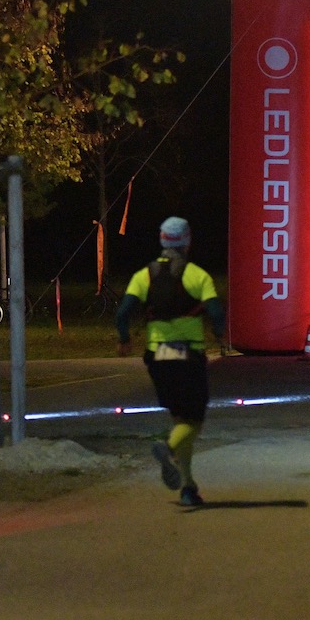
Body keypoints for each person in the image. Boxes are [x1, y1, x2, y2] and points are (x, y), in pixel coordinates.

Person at [116, 217, 225, 507]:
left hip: (158, 356)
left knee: (180, 418)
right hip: (188, 355)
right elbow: (215, 312)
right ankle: (168, 447)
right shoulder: (197, 275)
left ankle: (188, 487)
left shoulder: (144, 275)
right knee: (195, 420)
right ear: (187, 241)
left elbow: (123, 312)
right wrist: (219, 333)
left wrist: (124, 338)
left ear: (162, 240)